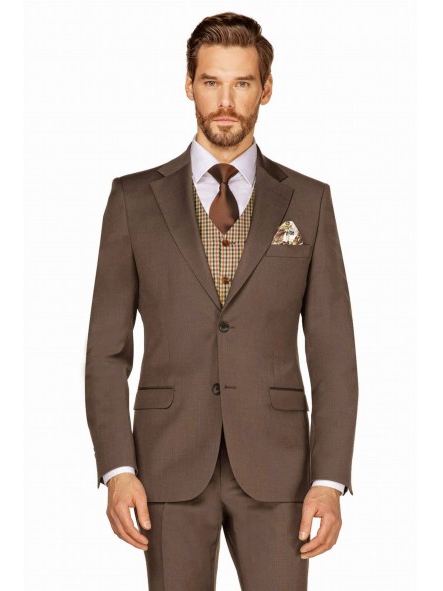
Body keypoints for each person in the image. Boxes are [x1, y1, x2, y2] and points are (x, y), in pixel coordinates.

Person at [85, 11, 359, 591]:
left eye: (242, 83)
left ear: (266, 88)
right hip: (165, 466)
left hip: (280, 471)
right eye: (211, 81)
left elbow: (334, 353)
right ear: (189, 85)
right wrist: (117, 467)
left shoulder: (308, 202)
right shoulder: (134, 200)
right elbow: (106, 352)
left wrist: (329, 478)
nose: (226, 101)